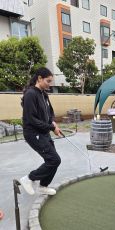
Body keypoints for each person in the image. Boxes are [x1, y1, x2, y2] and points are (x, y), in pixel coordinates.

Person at [20, 67, 62, 196]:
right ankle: (28, 179)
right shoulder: (30, 94)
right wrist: (51, 128)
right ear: (39, 78)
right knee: (54, 160)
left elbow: (50, 112)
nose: (50, 84)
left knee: (53, 160)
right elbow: (32, 119)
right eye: (48, 81)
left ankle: (43, 186)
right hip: (33, 133)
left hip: (43, 132)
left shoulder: (44, 94)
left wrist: (53, 122)